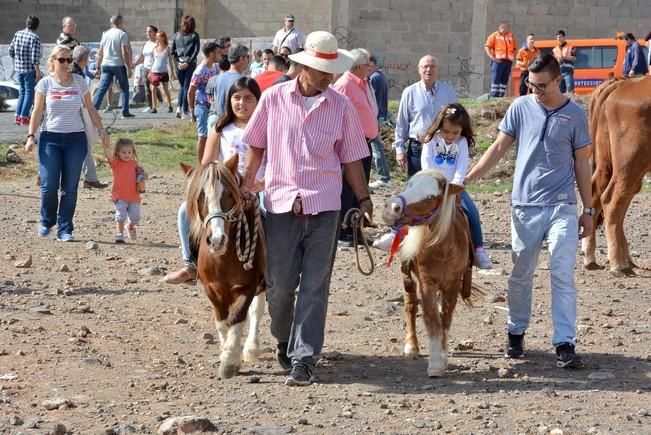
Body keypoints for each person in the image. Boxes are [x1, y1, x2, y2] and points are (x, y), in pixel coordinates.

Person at [240, 31, 372, 386]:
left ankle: (304, 357)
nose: (329, 77)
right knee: (280, 285)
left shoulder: (341, 106)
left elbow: (352, 159)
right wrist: (246, 183)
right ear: (304, 67)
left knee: (315, 285)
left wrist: (363, 198)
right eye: (322, 70)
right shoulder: (274, 98)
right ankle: (284, 337)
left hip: (325, 205)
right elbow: (255, 145)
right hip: (281, 204)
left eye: (332, 70)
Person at [465, 53, 593, 369]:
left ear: (558, 80)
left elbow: (582, 163)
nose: (534, 89)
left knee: (562, 272)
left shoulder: (575, 114)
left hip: (562, 205)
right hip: (525, 206)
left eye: (541, 85)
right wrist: (466, 179)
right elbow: (497, 148)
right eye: (530, 84)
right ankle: (516, 332)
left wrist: (588, 209)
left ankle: (565, 342)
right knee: (521, 274)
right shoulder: (520, 108)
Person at [163, 77, 263, 284]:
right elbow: (207, 164)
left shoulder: (267, 128)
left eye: (248, 98)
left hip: (260, 187)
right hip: (224, 189)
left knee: (273, 217)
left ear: (258, 100)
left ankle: (276, 270)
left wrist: (261, 183)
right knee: (184, 211)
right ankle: (190, 264)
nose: (242, 103)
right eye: (237, 98)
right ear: (229, 100)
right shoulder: (220, 129)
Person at [373, 103, 493, 268]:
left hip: (451, 186)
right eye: (446, 131)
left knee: (472, 212)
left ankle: (479, 249)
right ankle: (396, 233)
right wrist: (432, 182)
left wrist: (455, 185)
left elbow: (461, 166)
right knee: (412, 206)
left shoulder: (462, 142)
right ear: (439, 127)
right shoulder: (431, 140)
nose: (450, 136)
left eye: (455, 132)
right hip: (430, 185)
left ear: (462, 130)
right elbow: (427, 163)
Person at [25, 45, 110, 241]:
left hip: (75, 140)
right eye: (61, 60)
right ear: (53, 61)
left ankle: (65, 229)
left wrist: (101, 130)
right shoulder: (45, 84)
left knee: (70, 187)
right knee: (48, 184)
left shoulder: (80, 82)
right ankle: (47, 221)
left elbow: (90, 109)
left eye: (69, 60)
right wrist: (31, 136)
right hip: (50, 140)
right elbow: (37, 112)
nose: (65, 64)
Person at [333, 48, 377, 247]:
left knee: (360, 188)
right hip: (351, 145)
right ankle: (342, 232)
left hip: (365, 143)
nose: (370, 68)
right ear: (359, 66)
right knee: (348, 189)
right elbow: (337, 115)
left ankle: (355, 231)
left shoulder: (363, 83)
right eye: (368, 65)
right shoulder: (345, 84)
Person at [393, 55, 457, 177]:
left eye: (432, 66)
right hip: (418, 148)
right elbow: (402, 123)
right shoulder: (410, 92)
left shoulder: (448, 91)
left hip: (442, 147)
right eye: (425, 66)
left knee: (441, 186)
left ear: (438, 69)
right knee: (418, 187)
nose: (429, 70)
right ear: (419, 70)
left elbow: (456, 119)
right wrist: (399, 150)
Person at [71, 45, 109, 189]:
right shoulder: (77, 74)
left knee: (85, 145)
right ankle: (90, 178)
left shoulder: (72, 70)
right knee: (84, 145)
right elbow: (84, 100)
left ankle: (91, 177)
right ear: (86, 59)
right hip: (76, 114)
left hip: (72, 114)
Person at [101, 138, 143, 244]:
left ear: (133, 152)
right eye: (123, 152)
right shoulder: (116, 164)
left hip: (134, 196)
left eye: (129, 152)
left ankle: (129, 226)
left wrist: (142, 176)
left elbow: (141, 177)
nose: (127, 154)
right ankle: (119, 234)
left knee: (135, 218)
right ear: (118, 153)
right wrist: (106, 146)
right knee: (121, 216)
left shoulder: (135, 164)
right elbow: (108, 157)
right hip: (119, 196)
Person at [92, 15, 134, 119]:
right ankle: (125, 112)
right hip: (118, 64)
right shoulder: (122, 34)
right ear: (120, 23)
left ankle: (92, 110)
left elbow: (100, 52)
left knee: (102, 88)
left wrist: (97, 67)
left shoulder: (105, 34)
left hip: (105, 64)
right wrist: (129, 67)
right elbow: (124, 52)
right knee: (125, 88)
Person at [205, 44, 249, 131]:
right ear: (241, 59)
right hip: (234, 126)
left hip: (220, 122)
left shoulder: (218, 78)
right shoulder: (241, 81)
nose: (248, 60)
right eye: (247, 57)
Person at [188, 41, 220, 161]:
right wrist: (192, 110)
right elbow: (190, 91)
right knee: (202, 136)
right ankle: (200, 165)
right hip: (202, 107)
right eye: (218, 53)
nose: (219, 55)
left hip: (212, 107)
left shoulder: (214, 68)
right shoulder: (200, 71)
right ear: (212, 54)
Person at [9, 15, 42, 126]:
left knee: (22, 92)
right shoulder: (34, 38)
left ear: (26, 23)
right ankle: (24, 117)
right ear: (37, 26)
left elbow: (11, 51)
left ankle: (17, 116)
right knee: (29, 92)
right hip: (29, 70)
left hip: (19, 69)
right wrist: (38, 72)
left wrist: (16, 63)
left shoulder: (17, 34)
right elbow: (35, 58)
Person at [368, 55, 392, 189]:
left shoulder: (374, 78)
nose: (367, 68)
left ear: (374, 65)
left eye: (369, 66)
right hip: (379, 116)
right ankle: (384, 177)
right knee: (376, 147)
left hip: (374, 117)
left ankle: (384, 177)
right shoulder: (381, 77)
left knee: (376, 148)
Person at [171, 15, 200, 119]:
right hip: (189, 64)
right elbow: (196, 51)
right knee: (187, 87)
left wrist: (178, 62)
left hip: (179, 64)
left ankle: (179, 108)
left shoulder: (176, 35)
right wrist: (188, 62)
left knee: (182, 86)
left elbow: (172, 52)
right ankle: (185, 110)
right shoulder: (195, 35)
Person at [485, 21, 516, 98]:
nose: (507, 28)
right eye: (505, 26)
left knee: (504, 79)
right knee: (496, 78)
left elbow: (514, 48)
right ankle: (494, 95)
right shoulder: (494, 36)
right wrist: (493, 58)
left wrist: (512, 59)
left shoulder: (511, 36)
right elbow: (487, 47)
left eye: (508, 27)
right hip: (498, 61)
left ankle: (500, 95)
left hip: (508, 62)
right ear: (500, 27)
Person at [148, 30, 176, 114]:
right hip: (154, 71)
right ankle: (154, 107)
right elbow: (153, 61)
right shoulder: (154, 49)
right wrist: (150, 72)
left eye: (158, 36)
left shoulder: (168, 48)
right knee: (153, 89)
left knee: (165, 89)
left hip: (163, 72)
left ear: (163, 37)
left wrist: (172, 72)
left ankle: (170, 105)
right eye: (156, 36)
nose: (156, 37)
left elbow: (170, 61)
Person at [132, 25, 158, 113]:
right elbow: (142, 55)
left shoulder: (157, 43)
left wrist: (153, 68)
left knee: (154, 87)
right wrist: (135, 64)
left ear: (155, 33)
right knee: (147, 88)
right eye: (147, 31)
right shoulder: (146, 43)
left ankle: (161, 104)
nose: (148, 33)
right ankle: (150, 106)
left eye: (150, 31)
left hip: (155, 69)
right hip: (146, 68)